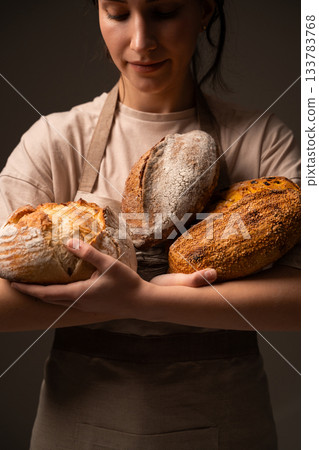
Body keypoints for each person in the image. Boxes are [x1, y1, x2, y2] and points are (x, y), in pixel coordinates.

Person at [0, 0, 300, 448]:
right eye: (118, 13)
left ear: (204, 11)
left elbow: (305, 303)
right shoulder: (56, 140)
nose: (141, 41)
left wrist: (142, 297)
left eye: (163, 11)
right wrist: (139, 298)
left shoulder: (262, 140)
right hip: (77, 428)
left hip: (228, 426)